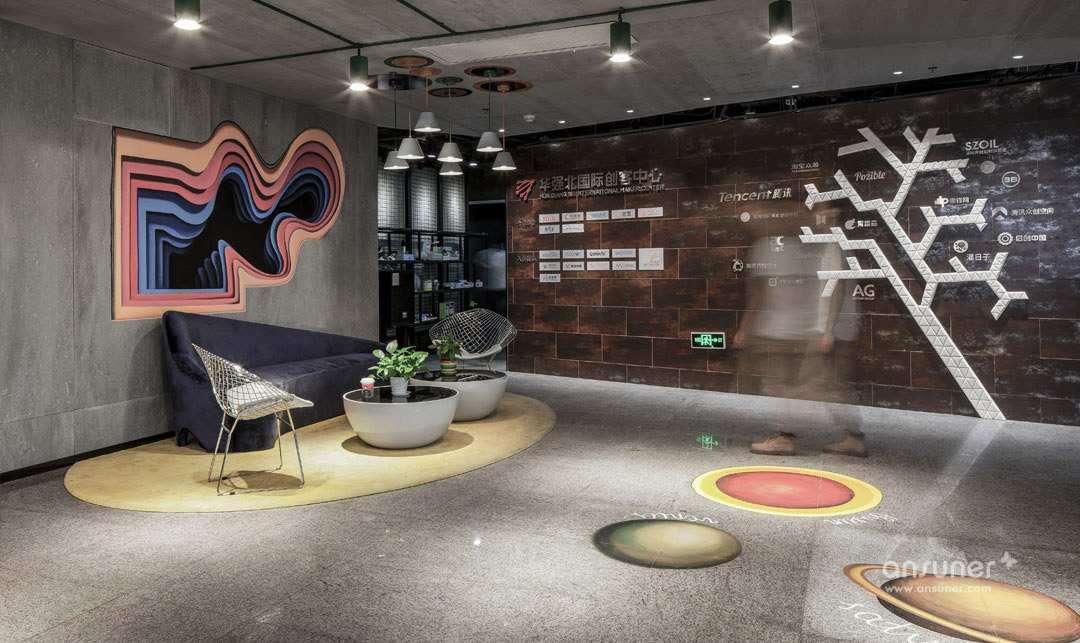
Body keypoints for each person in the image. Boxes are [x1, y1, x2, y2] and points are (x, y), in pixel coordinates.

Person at [734, 234, 867, 457]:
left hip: (824, 332)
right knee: (818, 386)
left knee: (814, 387)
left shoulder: (829, 245)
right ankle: (847, 436)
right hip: (821, 330)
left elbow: (836, 287)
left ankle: (789, 437)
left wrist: (828, 330)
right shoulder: (823, 244)